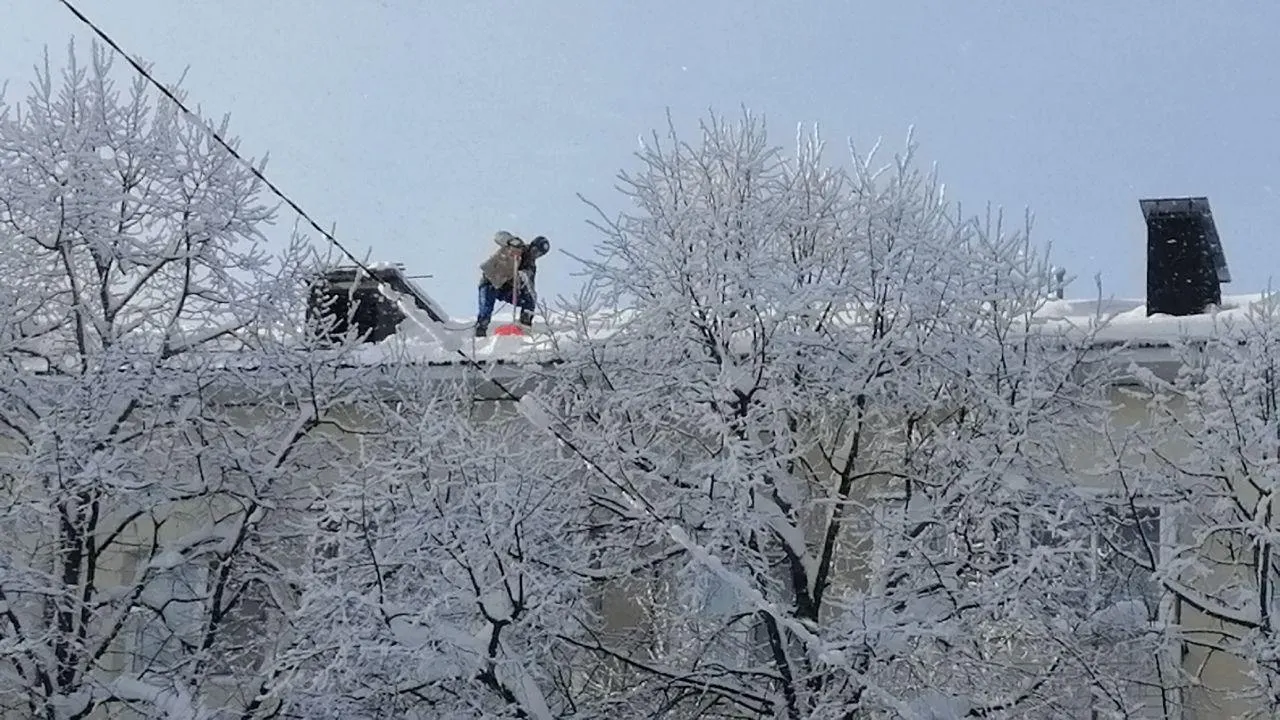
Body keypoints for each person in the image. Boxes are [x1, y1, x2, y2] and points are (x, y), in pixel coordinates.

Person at [475, 231, 550, 337]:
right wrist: (511, 241)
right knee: (486, 307)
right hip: (491, 280)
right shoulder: (517, 246)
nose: (535, 254)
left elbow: (530, 287)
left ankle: (525, 325)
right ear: (532, 245)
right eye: (535, 250)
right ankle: (481, 329)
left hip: (505, 288)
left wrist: (527, 296)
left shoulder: (530, 266)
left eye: (539, 254)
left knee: (530, 298)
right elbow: (498, 236)